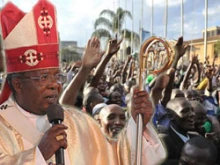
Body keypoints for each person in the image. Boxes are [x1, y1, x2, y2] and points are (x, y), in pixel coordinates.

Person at [0, 1, 166, 164]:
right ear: (17, 84)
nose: (54, 85)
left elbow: (115, 157)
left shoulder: (77, 121)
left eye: (57, 76)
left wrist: (138, 125)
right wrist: (39, 156)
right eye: (43, 77)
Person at [158, 97, 197, 165]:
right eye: (185, 111)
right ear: (171, 116)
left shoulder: (196, 138)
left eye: (192, 110)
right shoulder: (164, 142)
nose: (192, 114)